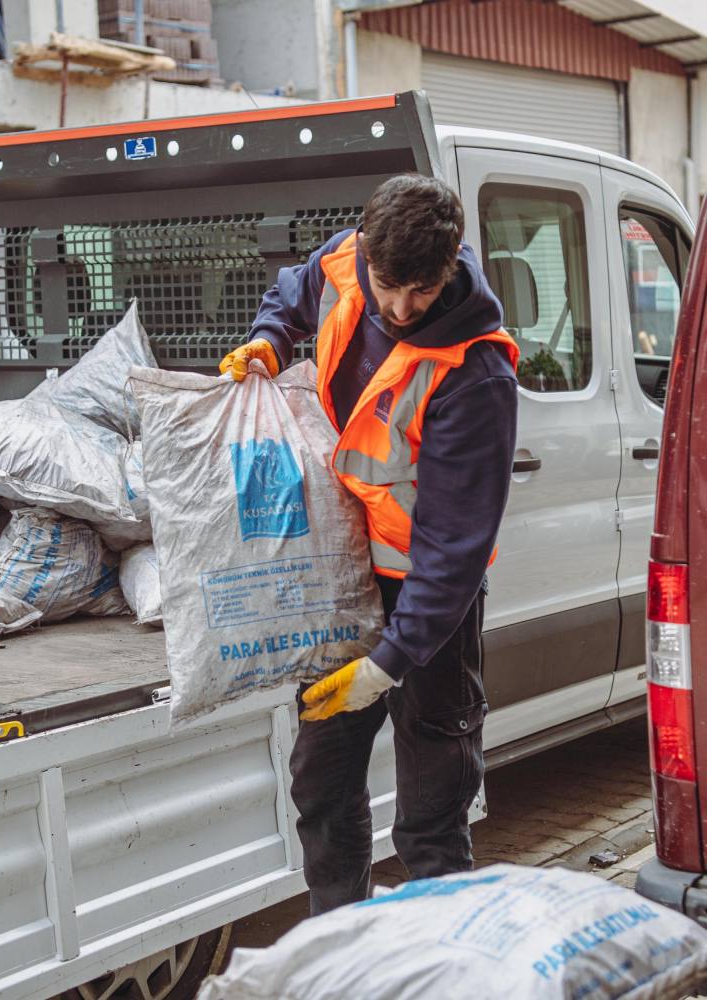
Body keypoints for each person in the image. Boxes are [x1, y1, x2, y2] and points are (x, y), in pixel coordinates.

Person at [219, 174, 519, 915]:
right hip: (338, 576)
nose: (400, 309)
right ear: (364, 250)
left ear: (450, 264)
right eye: (389, 287)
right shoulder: (346, 261)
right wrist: (268, 339)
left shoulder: (474, 370)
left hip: (428, 609)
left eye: (421, 291)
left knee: (431, 817)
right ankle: (342, 950)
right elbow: (295, 292)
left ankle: (440, 972)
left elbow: (453, 547)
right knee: (321, 786)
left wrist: (387, 664)